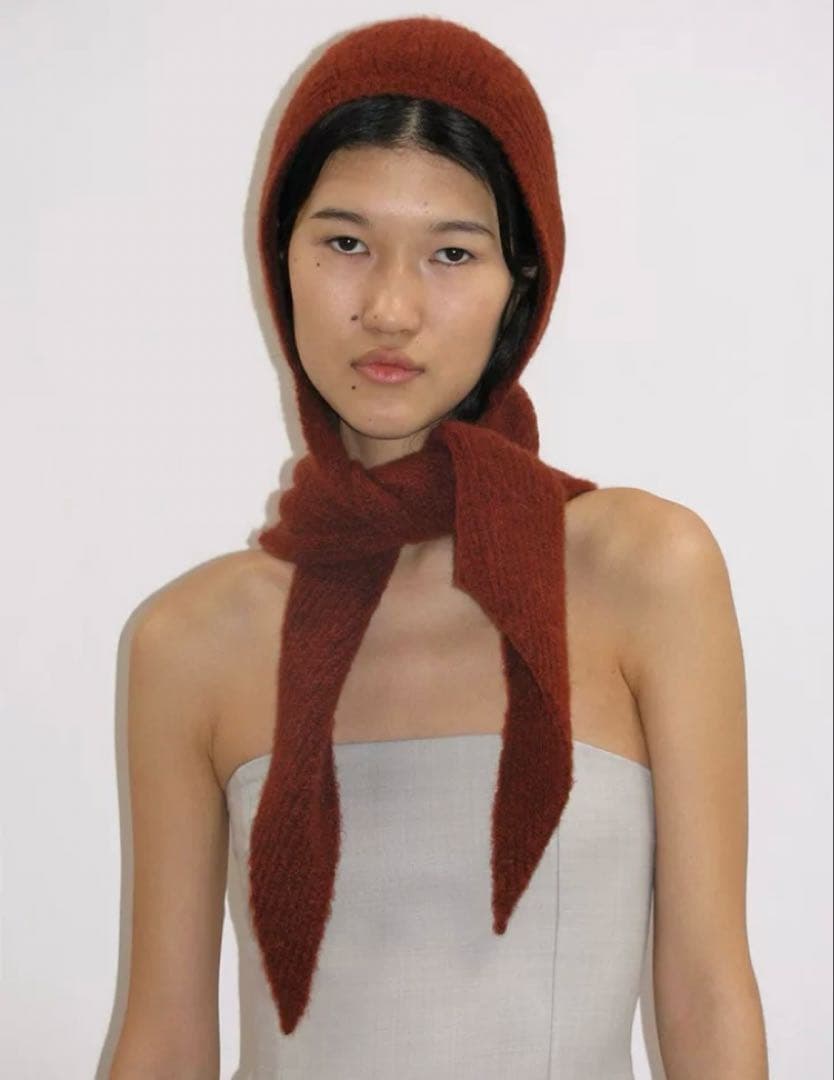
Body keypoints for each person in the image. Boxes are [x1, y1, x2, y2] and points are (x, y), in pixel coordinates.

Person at [109, 16, 768, 1079]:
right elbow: (165, 1040)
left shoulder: (646, 571)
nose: (390, 307)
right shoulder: (186, 640)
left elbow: (705, 993)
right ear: (280, 263)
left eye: (452, 252)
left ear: (522, 283)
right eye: (344, 243)